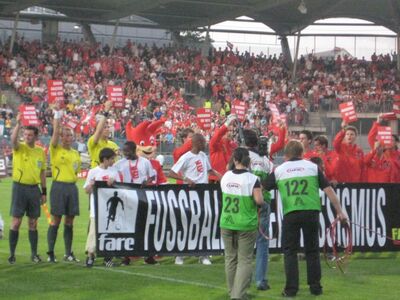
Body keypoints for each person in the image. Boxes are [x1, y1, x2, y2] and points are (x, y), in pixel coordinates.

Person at [263, 140, 348, 297]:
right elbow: (329, 191)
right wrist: (340, 212)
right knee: (312, 250)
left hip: (291, 212)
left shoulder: (279, 170)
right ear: (302, 153)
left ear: (286, 155)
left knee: (290, 252)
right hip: (311, 212)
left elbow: (262, 188)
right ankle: (315, 287)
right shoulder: (312, 167)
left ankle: (291, 289)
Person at [168, 133, 221, 265]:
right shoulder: (186, 157)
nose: (205, 144)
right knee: (187, 223)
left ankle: (203, 255)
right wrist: (186, 179)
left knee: (204, 223)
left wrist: (219, 175)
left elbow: (209, 170)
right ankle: (180, 255)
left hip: (204, 194)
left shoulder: (203, 156)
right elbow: (171, 172)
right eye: (203, 142)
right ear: (197, 143)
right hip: (190, 194)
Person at [220, 147, 264, 300]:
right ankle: (238, 295)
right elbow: (259, 201)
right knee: (244, 259)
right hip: (245, 223)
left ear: (234, 159)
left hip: (227, 221)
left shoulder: (225, 176)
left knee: (230, 258)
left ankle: (233, 292)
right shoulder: (252, 179)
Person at [8, 114, 47, 264]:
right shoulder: (19, 148)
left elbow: (43, 172)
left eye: (30, 135)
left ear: (36, 137)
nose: (27, 137)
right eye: (25, 134)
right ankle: (12, 254)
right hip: (19, 188)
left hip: (34, 189)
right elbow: (13, 140)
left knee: (33, 222)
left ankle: (34, 254)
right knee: (16, 222)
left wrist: (43, 192)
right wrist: (18, 124)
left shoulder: (40, 151)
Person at [47, 108, 82, 263]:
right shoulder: (55, 149)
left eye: (70, 135)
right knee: (56, 220)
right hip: (58, 186)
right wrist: (57, 117)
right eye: (65, 135)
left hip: (71, 188)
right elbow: (54, 135)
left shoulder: (76, 154)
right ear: (61, 137)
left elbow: (76, 171)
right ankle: (51, 252)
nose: (68, 137)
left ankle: (68, 252)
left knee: (70, 221)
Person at [113, 141, 155, 265]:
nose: (125, 154)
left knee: (144, 227)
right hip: (127, 199)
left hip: (142, 198)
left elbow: (152, 176)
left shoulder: (145, 162)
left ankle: (148, 256)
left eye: (127, 151)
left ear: (134, 150)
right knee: (127, 227)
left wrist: (147, 182)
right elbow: (109, 172)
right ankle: (126, 257)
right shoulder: (120, 164)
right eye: (124, 151)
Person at [242, 129, 273, 291]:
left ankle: (242, 280)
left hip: (247, 203)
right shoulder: (266, 159)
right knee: (262, 243)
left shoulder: (242, 157)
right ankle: (261, 280)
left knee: (244, 242)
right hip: (264, 202)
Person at [83, 148, 120, 267]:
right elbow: (86, 190)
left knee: (109, 233)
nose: (113, 161)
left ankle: (108, 258)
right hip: (96, 208)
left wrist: (114, 183)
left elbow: (120, 189)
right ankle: (90, 256)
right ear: (105, 159)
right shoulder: (93, 172)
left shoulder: (114, 171)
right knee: (94, 233)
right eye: (112, 159)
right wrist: (91, 185)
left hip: (110, 209)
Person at [87, 101, 119, 168]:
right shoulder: (93, 141)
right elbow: (98, 131)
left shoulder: (113, 145)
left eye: (108, 127)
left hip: (110, 174)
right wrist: (106, 111)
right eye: (104, 127)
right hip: (97, 175)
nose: (107, 129)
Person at [209, 114, 238, 182]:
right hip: (215, 179)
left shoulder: (234, 145)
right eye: (227, 131)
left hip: (229, 179)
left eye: (231, 131)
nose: (230, 133)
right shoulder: (215, 144)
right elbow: (217, 136)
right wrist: (226, 124)